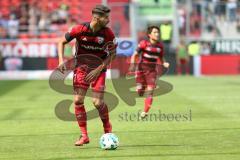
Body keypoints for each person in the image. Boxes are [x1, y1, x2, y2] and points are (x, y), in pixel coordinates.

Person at [57, 4, 117, 146]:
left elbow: (113, 54)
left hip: (98, 68)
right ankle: (84, 136)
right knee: (78, 100)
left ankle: (107, 128)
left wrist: (99, 69)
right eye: (106, 17)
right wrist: (60, 60)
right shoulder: (80, 29)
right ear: (96, 18)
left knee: (97, 103)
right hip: (81, 68)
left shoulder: (108, 34)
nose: (108, 20)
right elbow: (61, 41)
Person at [129, 26, 169, 118]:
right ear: (149, 35)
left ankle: (145, 112)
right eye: (155, 32)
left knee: (150, 92)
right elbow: (135, 54)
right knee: (140, 92)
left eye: (158, 32)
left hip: (152, 71)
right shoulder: (144, 44)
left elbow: (161, 57)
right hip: (141, 70)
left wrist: (164, 63)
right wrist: (132, 65)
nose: (157, 34)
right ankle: (139, 88)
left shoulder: (160, 46)